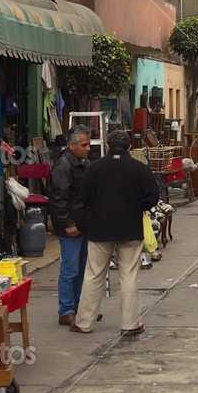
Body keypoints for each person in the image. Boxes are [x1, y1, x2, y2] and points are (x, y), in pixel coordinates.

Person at [73, 130, 159, 335]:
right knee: (129, 275)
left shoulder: (94, 168)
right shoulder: (140, 168)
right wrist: (137, 207)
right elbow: (152, 198)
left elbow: (83, 199)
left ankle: (84, 322)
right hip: (130, 229)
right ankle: (130, 324)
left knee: (94, 275)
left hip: (100, 229)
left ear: (108, 147)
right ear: (130, 147)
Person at [48, 125, 92, 328]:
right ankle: (66, 310)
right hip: (71, 226)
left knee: (81, 269)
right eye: (83, 145)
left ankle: (79, 308)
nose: (87, 148)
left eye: (89, 144)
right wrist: (68, 224)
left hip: (83, 224)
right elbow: (58, 199)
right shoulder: (63, 167)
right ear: (71, 145)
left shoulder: (83, 163)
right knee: (70, 270)